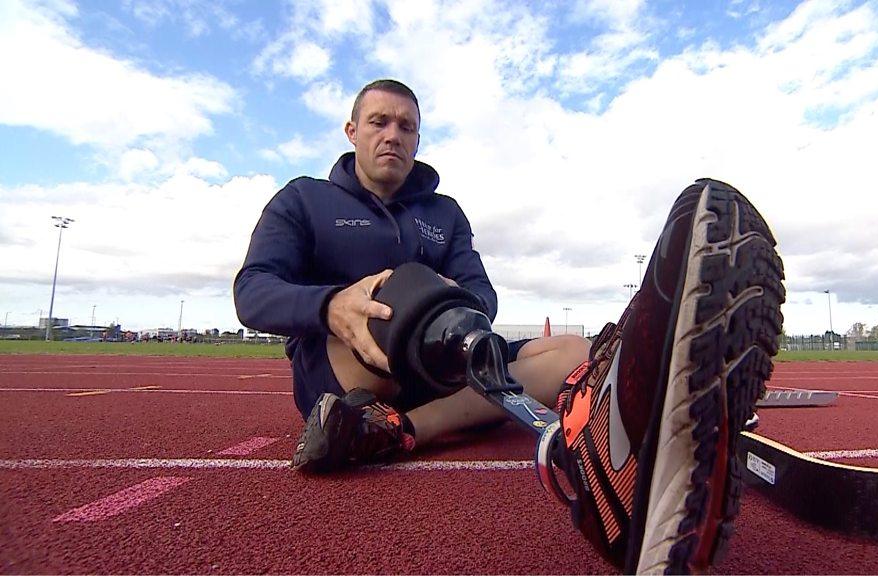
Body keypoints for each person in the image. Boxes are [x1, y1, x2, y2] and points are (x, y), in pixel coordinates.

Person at [235, 79, 785, 574]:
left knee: (576, 350)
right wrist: (332, 305)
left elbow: (482, 294)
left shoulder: (444, 212)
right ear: (353, 131)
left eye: (407, 127)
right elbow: (252, 289)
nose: (392, 136)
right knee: (385, 316)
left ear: (418, 140)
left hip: (444, 358)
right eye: (379, 122)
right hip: (345, 367)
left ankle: (403, 430)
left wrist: (453, 304)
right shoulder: (303, 199)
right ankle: (375, 415)